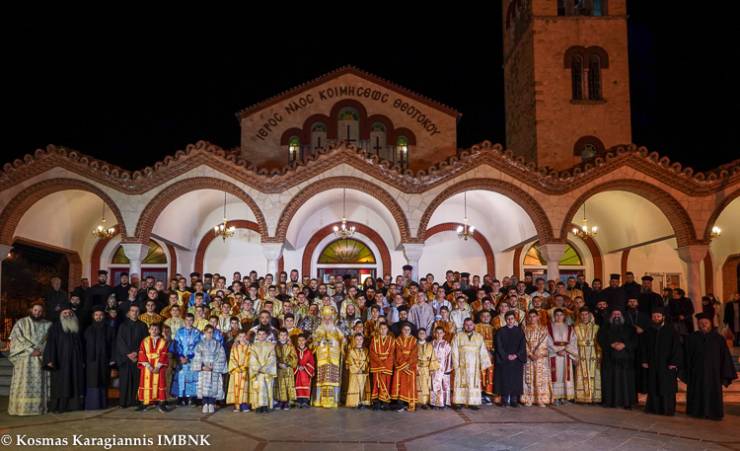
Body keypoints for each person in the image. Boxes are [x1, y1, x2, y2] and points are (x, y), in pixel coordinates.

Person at [684, 313, 738, 420]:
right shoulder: (691, 338)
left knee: (713, 392)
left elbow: (725, 357)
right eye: (701, 323)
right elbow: (686, 356)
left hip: (714, 373)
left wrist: (725, 373)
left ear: (711, 324)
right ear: (698, 324)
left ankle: (714, 412)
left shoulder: (719, 339)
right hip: (696, 373)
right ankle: (696, 412)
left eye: (706, 322)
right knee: (696, 391)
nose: (704, 324)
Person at [8, 301, 52, 416]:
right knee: (23, 384)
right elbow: (16, 339)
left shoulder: (48, 324)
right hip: (25, 360)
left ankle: (38, 408)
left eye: (40, 311)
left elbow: (50, 341)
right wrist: (31, 350)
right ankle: (21, 408)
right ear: (31, 310)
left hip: (40, 359)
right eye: (35, 310)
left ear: (43, 312)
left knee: (39, 384)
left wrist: (41, 350)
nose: (37, 313)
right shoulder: (21, 323)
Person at [43, 303, 85, 412]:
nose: (68, 315)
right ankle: (60, 406)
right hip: (60, 361)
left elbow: (82, 345)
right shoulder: (55, 327)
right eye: (65, 313)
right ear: (61, 314)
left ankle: (74, 406)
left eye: (70, 313)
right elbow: (50, 344)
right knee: (61, 384)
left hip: (75, 362)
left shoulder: (76, 326)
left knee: (74, 382)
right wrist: (50, 359)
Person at [641, 306, 682, 416]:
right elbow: (643, 347)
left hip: (667, 365)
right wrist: (644, 360)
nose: (656, 318)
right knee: (653, 385)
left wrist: (674, 362)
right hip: (652, 363)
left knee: (666, 387)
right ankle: (653, 408)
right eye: (654, 316)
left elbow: (677, 347)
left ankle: (667, 409)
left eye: (658, 316)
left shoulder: (671, 330)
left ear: (663, 317)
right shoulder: (648, 331)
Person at [598, 308, 637, 409]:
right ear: (611, 315)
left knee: (625, 381)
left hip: (625, 359)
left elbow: (635, 341)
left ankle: (627, 403)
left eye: (618, 313)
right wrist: (611, 344)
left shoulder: (630, 328)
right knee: (609, 380)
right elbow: (600, 339)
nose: (616, 315)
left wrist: (624, 345)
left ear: (622, 315)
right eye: (614, 313)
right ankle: (609, 402)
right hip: (609, 358)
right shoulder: (604, 327)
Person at [451, 318, 492, 410]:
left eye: (470, 324)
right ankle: (459, 402)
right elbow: (454, 351)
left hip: (474, 365)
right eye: (466, 324)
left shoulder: (479, 337)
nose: (469, 326)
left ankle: (472, 402)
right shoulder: (458, 336)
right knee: (460, 382)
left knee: (474, 383)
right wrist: (456, 365)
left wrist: (484, 364)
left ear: (473, 325)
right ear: (463, 325)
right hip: (461, 364)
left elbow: (483, 351)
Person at [115, 304, 149, 408]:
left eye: (137, 311)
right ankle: (124, 402)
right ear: (129, 312)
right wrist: (128, 354)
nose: (134, 313)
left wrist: (136, 352)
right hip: (125, 358)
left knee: (136, 380)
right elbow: (120, 341)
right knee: (125, 380)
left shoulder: (143, 325)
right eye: (133, 311)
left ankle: (135, 401)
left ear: (139, 313)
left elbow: (145, 342)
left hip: (137, 358)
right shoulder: (122, 325)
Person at [311, 305, 345, 408]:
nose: (327, 318)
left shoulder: (335, 328)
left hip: (333, 356)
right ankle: (318, 400)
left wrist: (340, 343)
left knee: (333, 378)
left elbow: (343, 339)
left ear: (332, 317)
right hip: (322, 356)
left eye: (329, 316)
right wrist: (318, 341)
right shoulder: (319, 328)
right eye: (325, 316)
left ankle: (335, 400)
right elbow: (314, 340)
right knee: (321, 378)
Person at [83, 305, 115, 410]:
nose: (98, 317)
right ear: (93, 316)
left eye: (100, 315)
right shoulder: (87, 330)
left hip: (104, 361)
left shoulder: (109, 329)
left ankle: (102, 404)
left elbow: (113, 345)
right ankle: (92, 404)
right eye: (96, 315)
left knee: (103, 381)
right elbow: (83, 346)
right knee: (92, 381)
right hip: (91, 362)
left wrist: (112, 359)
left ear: (104, 316)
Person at [191, 325, 227, 413]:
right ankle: (204, 403)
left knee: (214, 385)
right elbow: (196, 357)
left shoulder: (218, 344)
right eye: (208, 332)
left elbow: (222, 356)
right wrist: (202, 366)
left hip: (214, 368)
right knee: (204, 386)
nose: (210, 334)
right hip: (204, 369)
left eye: (212, 332)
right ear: (204, 332)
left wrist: (214, 366)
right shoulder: (200, 344)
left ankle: (211, 403)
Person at [494, 311, 526, 407]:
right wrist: (506, 355)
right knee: (504, 380)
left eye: (512, 319)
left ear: (514, 319)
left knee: (515, 380)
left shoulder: (519, 331)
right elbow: (498, 346)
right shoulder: (500, 331)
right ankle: (504, 400)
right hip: (504, 360)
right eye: (508, 319)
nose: (510, 320)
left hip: (516, 360)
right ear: (505, 320)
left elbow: (523, 346)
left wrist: (516, 355)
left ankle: (514, 400)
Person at [136, 322, 169, 412]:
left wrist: (157, 367)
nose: (154, 331)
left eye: (156, 329)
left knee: (160, 383)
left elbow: (163, 354)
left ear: (159, 331)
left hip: (159, 366)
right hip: (147, 366)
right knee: (145, 383)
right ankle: (145, 403)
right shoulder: (144, 341)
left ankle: (161, 403)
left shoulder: (163, 341)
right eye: (152, 329)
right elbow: (142, 354)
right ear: (149, 330)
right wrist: (149, 366)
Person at [521, 309, 551, 407]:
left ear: (538, 317)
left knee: (540, 378)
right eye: (530, 317)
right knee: (528, 378)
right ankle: (529, 399)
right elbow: (523, 343)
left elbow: (545, 342)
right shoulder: (525, 329)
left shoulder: (543, 328)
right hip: (529, 357)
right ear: (528, 318)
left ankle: (540, 399)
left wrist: (537, 354)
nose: (532, 318)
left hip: (540, 357)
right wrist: (529, 353)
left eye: (534, 316)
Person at [548, 309, 578, 405]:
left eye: (561, 315)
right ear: (554, 316)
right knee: (555, 376)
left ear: (564, 316)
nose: (559, 317)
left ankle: (565, 397)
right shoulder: (548, 327)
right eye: (557, 315)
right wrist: (557, 350)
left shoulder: (569, 328)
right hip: (554, 355)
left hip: (566, 355)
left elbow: (573, 341)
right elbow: (547, 340)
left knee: (566, 375)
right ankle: (555, 397)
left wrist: (565, 350)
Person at [171, 313, 202, 406]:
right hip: (181, 360)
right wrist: (181, 356)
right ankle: (181, 397)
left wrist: (189, 356)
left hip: (192, 360)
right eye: (187, 320)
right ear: (184, 321)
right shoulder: (179, 332)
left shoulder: (197, 332)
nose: (189, 322)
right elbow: (177, 345)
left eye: (191, 320)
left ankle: (192, 398)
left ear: (193, 321)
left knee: (192, 378)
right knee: (181, 377)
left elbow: (198, 346)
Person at [573, 307, 601, 404]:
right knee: (581, 375)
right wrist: (575, 356)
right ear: (580, 316)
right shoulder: (575, 328)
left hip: (593, 354)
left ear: (589, 315)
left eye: (586, 314)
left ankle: (594, 398)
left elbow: (599, 343)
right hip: (581, 354)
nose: (584, 316)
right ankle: (582, 398)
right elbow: (573, 343)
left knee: (594, 375)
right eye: (582, 315)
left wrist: (599, 356)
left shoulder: (596, 327)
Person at [249, 327, 277, 413]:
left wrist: (264, 368)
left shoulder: (271, 346)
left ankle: (266, 406)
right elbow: (252, 358)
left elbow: (272, 358)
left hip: (267, 372)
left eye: (263, 334)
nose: (261, 336)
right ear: (257, 335)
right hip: (257, 372)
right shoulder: (253, 346)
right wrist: (258, 368)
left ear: (266, 335)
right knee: (258, 388)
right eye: (259, 334)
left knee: (268, 388)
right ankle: (258, 406)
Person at [391, 323, 418, 412]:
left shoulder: (414, 340)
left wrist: (408, 364)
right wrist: (403, 364)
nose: (406, 331)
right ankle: (400, 405)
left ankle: (409, 404)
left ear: (410, 331)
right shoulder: (397, 340)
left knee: (410, 385)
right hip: (400, 365)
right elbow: (397, 353)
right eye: (404, 329)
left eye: (408, 330)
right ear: (401, 330)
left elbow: (414, 354)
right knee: (400, 385)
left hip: (410, 366)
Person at [370, 322, 395, 410]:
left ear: (387, 330)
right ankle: (376, 401)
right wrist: (380, 363)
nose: (383, 330)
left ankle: (385, 401)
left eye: (385, 328)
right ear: (378, 329)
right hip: (377, 364)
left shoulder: (392, 340)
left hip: (387, 365)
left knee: (386, 382)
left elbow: (391, 354)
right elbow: (372, 353)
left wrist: (385, 364)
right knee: (376, 383)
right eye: (381, 328)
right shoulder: (374, 339)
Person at [226, 330, 251, 412]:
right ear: (238, 338)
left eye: (244, 336)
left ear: (246, 337)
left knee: (245, 388)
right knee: (236, 387)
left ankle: (244, 404)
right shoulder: (234, 348)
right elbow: (232, 358)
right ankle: (236, 405)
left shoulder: (249, 347)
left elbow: (250, 358)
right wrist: (236, 368)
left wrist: (244, 367)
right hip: (236, 371)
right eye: (240, 337)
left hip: (245, 371)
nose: (242, 338)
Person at [275, 328, 298, 410]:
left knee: (288, 385)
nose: (283, 337)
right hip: (279, 369)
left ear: (287, 336)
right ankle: (280, 401)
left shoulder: (291, 346)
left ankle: (286, 402)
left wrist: (287, 363)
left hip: (288, 369)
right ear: (278, 336)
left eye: (285, 335)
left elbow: (295, 357)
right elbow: (273, 357)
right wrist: (278, 364)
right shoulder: (276, 346)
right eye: (281, 335)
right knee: (280, 385)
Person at [430, 326, 452, 409]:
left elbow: (449, 356)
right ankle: (434, 402)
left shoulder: (446, 344)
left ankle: (443, 402)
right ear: (434, 333)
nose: (439, 334)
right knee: (434, 384)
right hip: (434, 368)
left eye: (441, 332)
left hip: (443, 368)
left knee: (444, 385)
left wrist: (447, 369)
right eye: (437, 332)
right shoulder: (431, 343)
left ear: (443, 334)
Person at [416, 328, 438, 409]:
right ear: (418, 335)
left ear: (426, 335)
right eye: (420, 333)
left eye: (423, 333)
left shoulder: (430, 345)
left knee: (426, 386)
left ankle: (425, 402)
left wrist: (432, 369)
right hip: (417, 368)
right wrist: (415, 367)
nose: (422, 334)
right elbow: (411, 357)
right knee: (417, 385)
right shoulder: (414, 345)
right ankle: (417, 401)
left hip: (426, 368)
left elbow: (433, 357)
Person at [294, 334, 315, 408]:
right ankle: (298, 401)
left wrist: (305, 367)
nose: (301, 342)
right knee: (297, 386)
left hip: (305, 373)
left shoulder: (309, 352)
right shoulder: (294, 351)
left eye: (303, 340)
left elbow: (312, 362)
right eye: (299, 340)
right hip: (298, 372)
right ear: (297, 341)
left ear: (305, 341)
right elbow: (292, 361)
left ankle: (305, 401)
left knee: (305, 386)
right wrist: (297, 366)